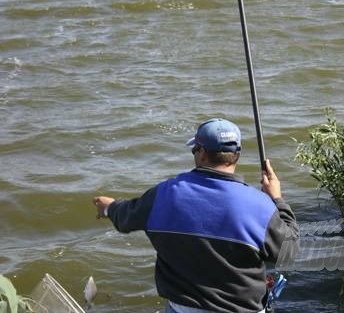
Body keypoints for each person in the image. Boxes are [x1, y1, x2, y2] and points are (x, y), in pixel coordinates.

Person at [92, 118, 299, 313]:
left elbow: (125, 218)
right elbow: (288, 252)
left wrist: (109, 208)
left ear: (201, 153)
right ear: (237, 154)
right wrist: (277, 200)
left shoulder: (164, 195)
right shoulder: (260, 206)